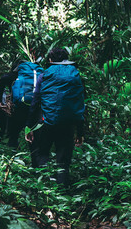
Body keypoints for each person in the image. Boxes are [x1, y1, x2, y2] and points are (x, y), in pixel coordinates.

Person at [25, 47, 85, 184]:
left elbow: (35, 102)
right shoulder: (75, 75)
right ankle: (62, 191)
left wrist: (29, 126)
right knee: (63, 161)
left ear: (51, 60)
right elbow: (80, 104)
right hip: (68, 124)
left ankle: (45, 189)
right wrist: (80, 132)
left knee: (42, 153)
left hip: (46, 122)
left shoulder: (44, 75)